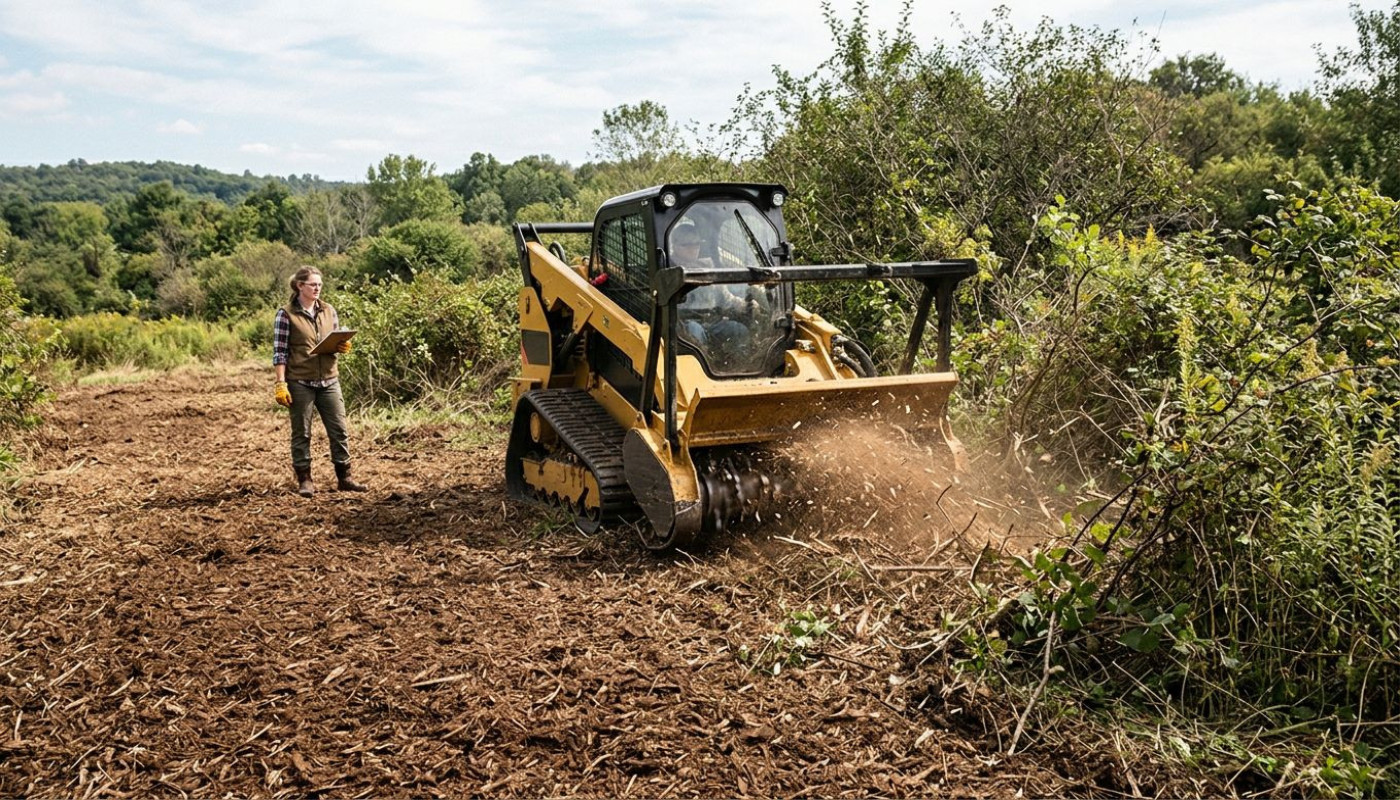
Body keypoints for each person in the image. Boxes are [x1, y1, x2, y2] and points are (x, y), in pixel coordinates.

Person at [272, 266, 367, 497]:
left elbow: (333, 338)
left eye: (320, 284)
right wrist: (280, 383)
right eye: (313, 284)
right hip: (300, 381)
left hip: (329, 379)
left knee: (339, 429)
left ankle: (345, 478)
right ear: (299, 286)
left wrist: (341, 345)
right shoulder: (285, 314)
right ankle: (305, 480)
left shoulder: (329, 310)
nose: (317, 288)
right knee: (302, 432)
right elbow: (280, 352)